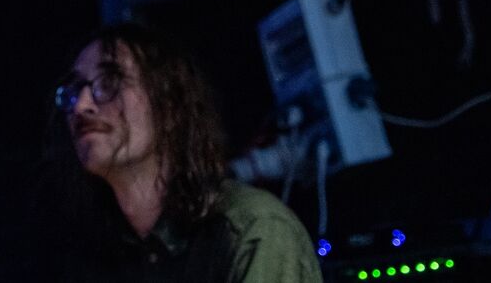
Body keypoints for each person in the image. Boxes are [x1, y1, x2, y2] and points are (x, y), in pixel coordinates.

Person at [48, 22, 322, 282]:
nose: (80, 105)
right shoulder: (89, 253)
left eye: (110, 81)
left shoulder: (254, 229)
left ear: (169, 107)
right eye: (74, 90)